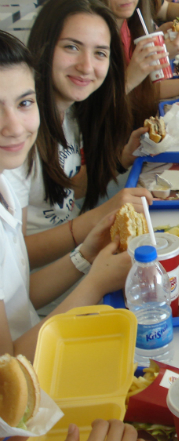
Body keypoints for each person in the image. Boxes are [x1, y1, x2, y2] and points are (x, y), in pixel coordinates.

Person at [0, 30, 131, 361]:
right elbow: (7, 376)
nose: (14, 126)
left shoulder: (6, 186)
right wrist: (94, 285)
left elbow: (18, 297)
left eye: (24, 103)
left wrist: (86, 254)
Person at [5, 0, 153, 270]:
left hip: (79, 261)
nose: (86, 66)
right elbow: (14, 256)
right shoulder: (17, 136)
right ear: (44, 46)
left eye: (100, 53)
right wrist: (98, 218)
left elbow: (64, 184)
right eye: (72, 47)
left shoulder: (71, 113)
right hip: (48, 286)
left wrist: (121, 159)